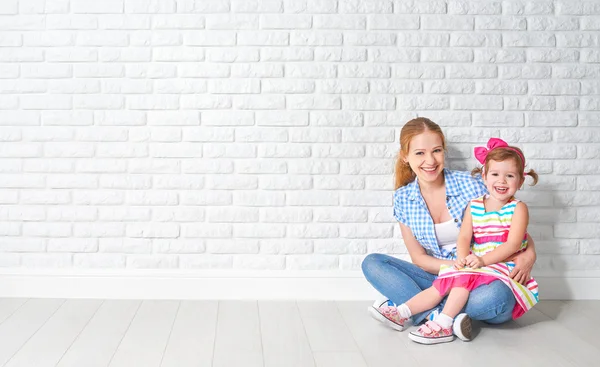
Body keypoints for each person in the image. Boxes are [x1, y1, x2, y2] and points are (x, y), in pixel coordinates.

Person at [362, 117, 538, 342]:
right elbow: (418, 258)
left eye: (436, 150)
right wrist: (455, 268)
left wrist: (530, 255)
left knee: (497, 296)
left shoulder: (473, 184)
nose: (430, 160)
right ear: (405, 157)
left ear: (443, 151)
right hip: (442, 276)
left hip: (483, 278)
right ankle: (445, 318)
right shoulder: (403, 198)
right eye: (419, 153)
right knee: (373, 263)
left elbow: (510, 228)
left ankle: (421, 312)